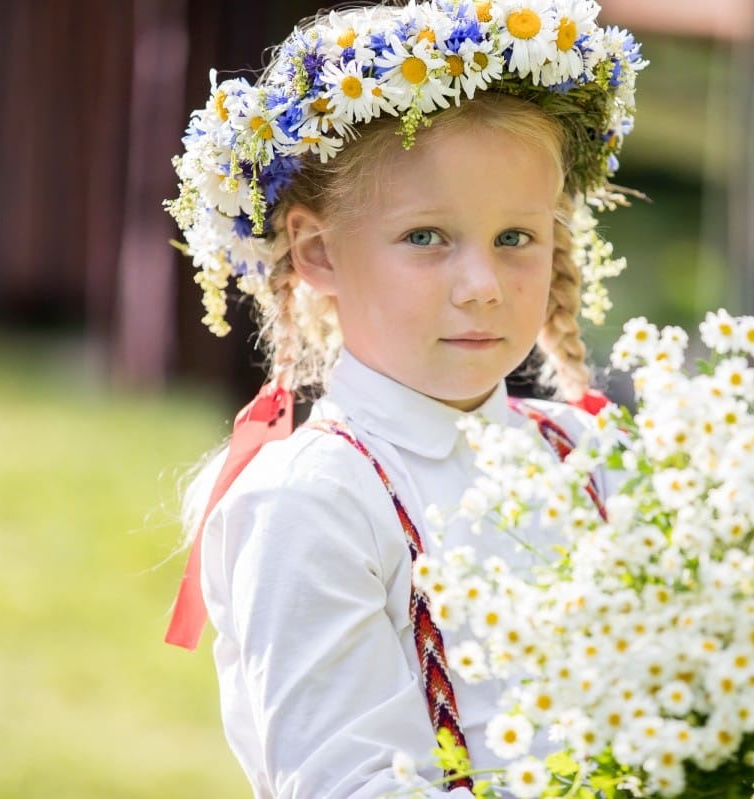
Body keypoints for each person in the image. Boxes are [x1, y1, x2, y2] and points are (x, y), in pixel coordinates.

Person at [161, 2, 645, 795]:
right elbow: (349, 781)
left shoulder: (594, 455)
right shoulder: (317, 501)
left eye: (515, 238)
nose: (482, 286)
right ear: (318, 251)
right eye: (426, 237)